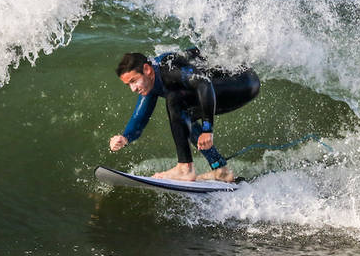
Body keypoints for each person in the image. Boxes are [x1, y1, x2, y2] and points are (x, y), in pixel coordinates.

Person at [108, 48, 260, 182]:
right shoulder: (151, 80)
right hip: (226, 83)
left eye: (134, 81)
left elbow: (204, 84)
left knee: (174, 99)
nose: (133, 89)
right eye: (128, 84)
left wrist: (207, 129)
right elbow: (139, 117)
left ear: (147, 70)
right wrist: (125, 137)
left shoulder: (169, 69)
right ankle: (220, 170)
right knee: (184, 113)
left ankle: (185, 168)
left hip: (242, 83)